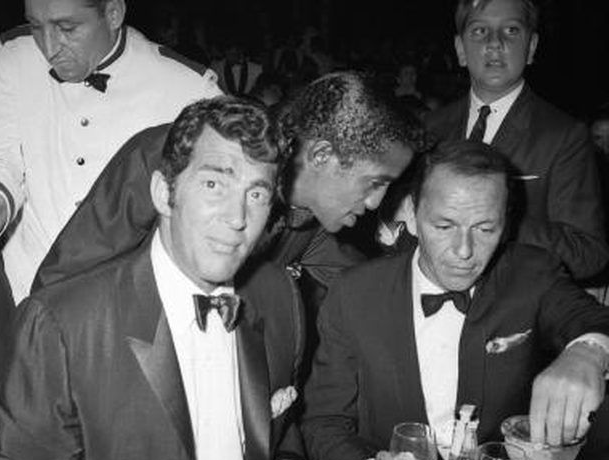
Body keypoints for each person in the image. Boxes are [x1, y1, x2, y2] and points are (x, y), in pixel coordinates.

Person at [0, 96, 305, 460]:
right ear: (164, 192)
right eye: (214, 184)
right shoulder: (62, 324)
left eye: (256, 193)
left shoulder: (276, 297)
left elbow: (285, 425)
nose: (237, 219)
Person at [300, 141, 609, 460]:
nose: (464, 251)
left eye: (484, 229)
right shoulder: (354, 294)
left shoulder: (531, 273)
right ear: (412, 217)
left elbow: (593, 321)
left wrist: (587, 352)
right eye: (444, 227)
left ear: (505, 225)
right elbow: (324, 422)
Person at [33, 71, 427, 297]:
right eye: (375, 182)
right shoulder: (166, 154)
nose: (377, 202)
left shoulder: (314, 219)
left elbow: (362, 289)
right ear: (321, 156)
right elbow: (62, 279)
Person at [0, 0, 219, 302]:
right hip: (26, 289)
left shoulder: (190, 89)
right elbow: (0, 159)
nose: (49, 48)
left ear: (113, 13)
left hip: (125, 303)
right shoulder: (11, 56)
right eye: (36, 26)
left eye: (67, 28)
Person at [424, 0, 608, 282]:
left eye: (510, 30)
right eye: (479, 31)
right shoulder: (431, 129)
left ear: (531, 47)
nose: (494, 43)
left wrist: (498, 223)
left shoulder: (563, 136)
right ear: (461, 49)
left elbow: (587, 254)